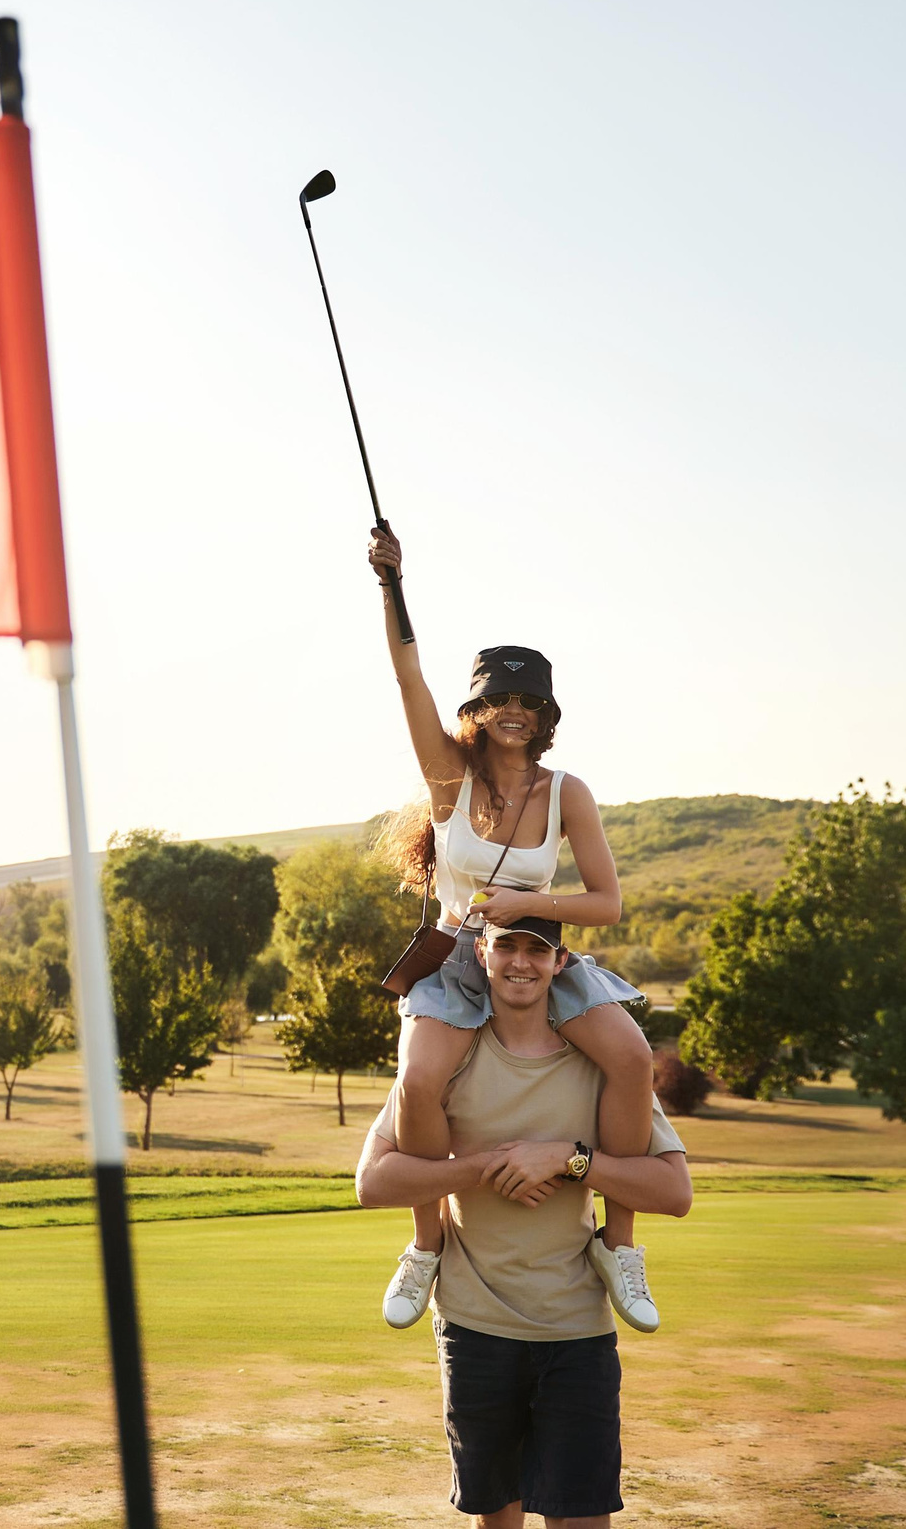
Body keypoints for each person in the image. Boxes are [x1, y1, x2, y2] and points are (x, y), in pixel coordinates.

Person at [366, 527, 663, 1336]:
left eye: (529, 702)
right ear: (477, 707)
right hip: (463, 959)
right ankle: (427, 1243)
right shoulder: (447, 776)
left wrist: (527, 906)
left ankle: (619, 1243)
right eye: (499, 698)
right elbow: (406, 675)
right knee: (420, 1082)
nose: (514, 713)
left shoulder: (569, 790)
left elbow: (607, 901)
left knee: (633, 1057)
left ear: (545, 716)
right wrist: (392, 582)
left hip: (540, 950)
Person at [356, 917, 694, 1528]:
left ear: (562, 963)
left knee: (583, 1522)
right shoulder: (446, 1057)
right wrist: (486, 1165)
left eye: (537, 951)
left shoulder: (605, 1066)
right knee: (497, 1522)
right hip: (474, 1330)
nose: (520, 962)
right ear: (479, 952)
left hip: (577, 1335)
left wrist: (572, 1158)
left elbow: (674, 1192)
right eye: (505, 945)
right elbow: (374, 1182)